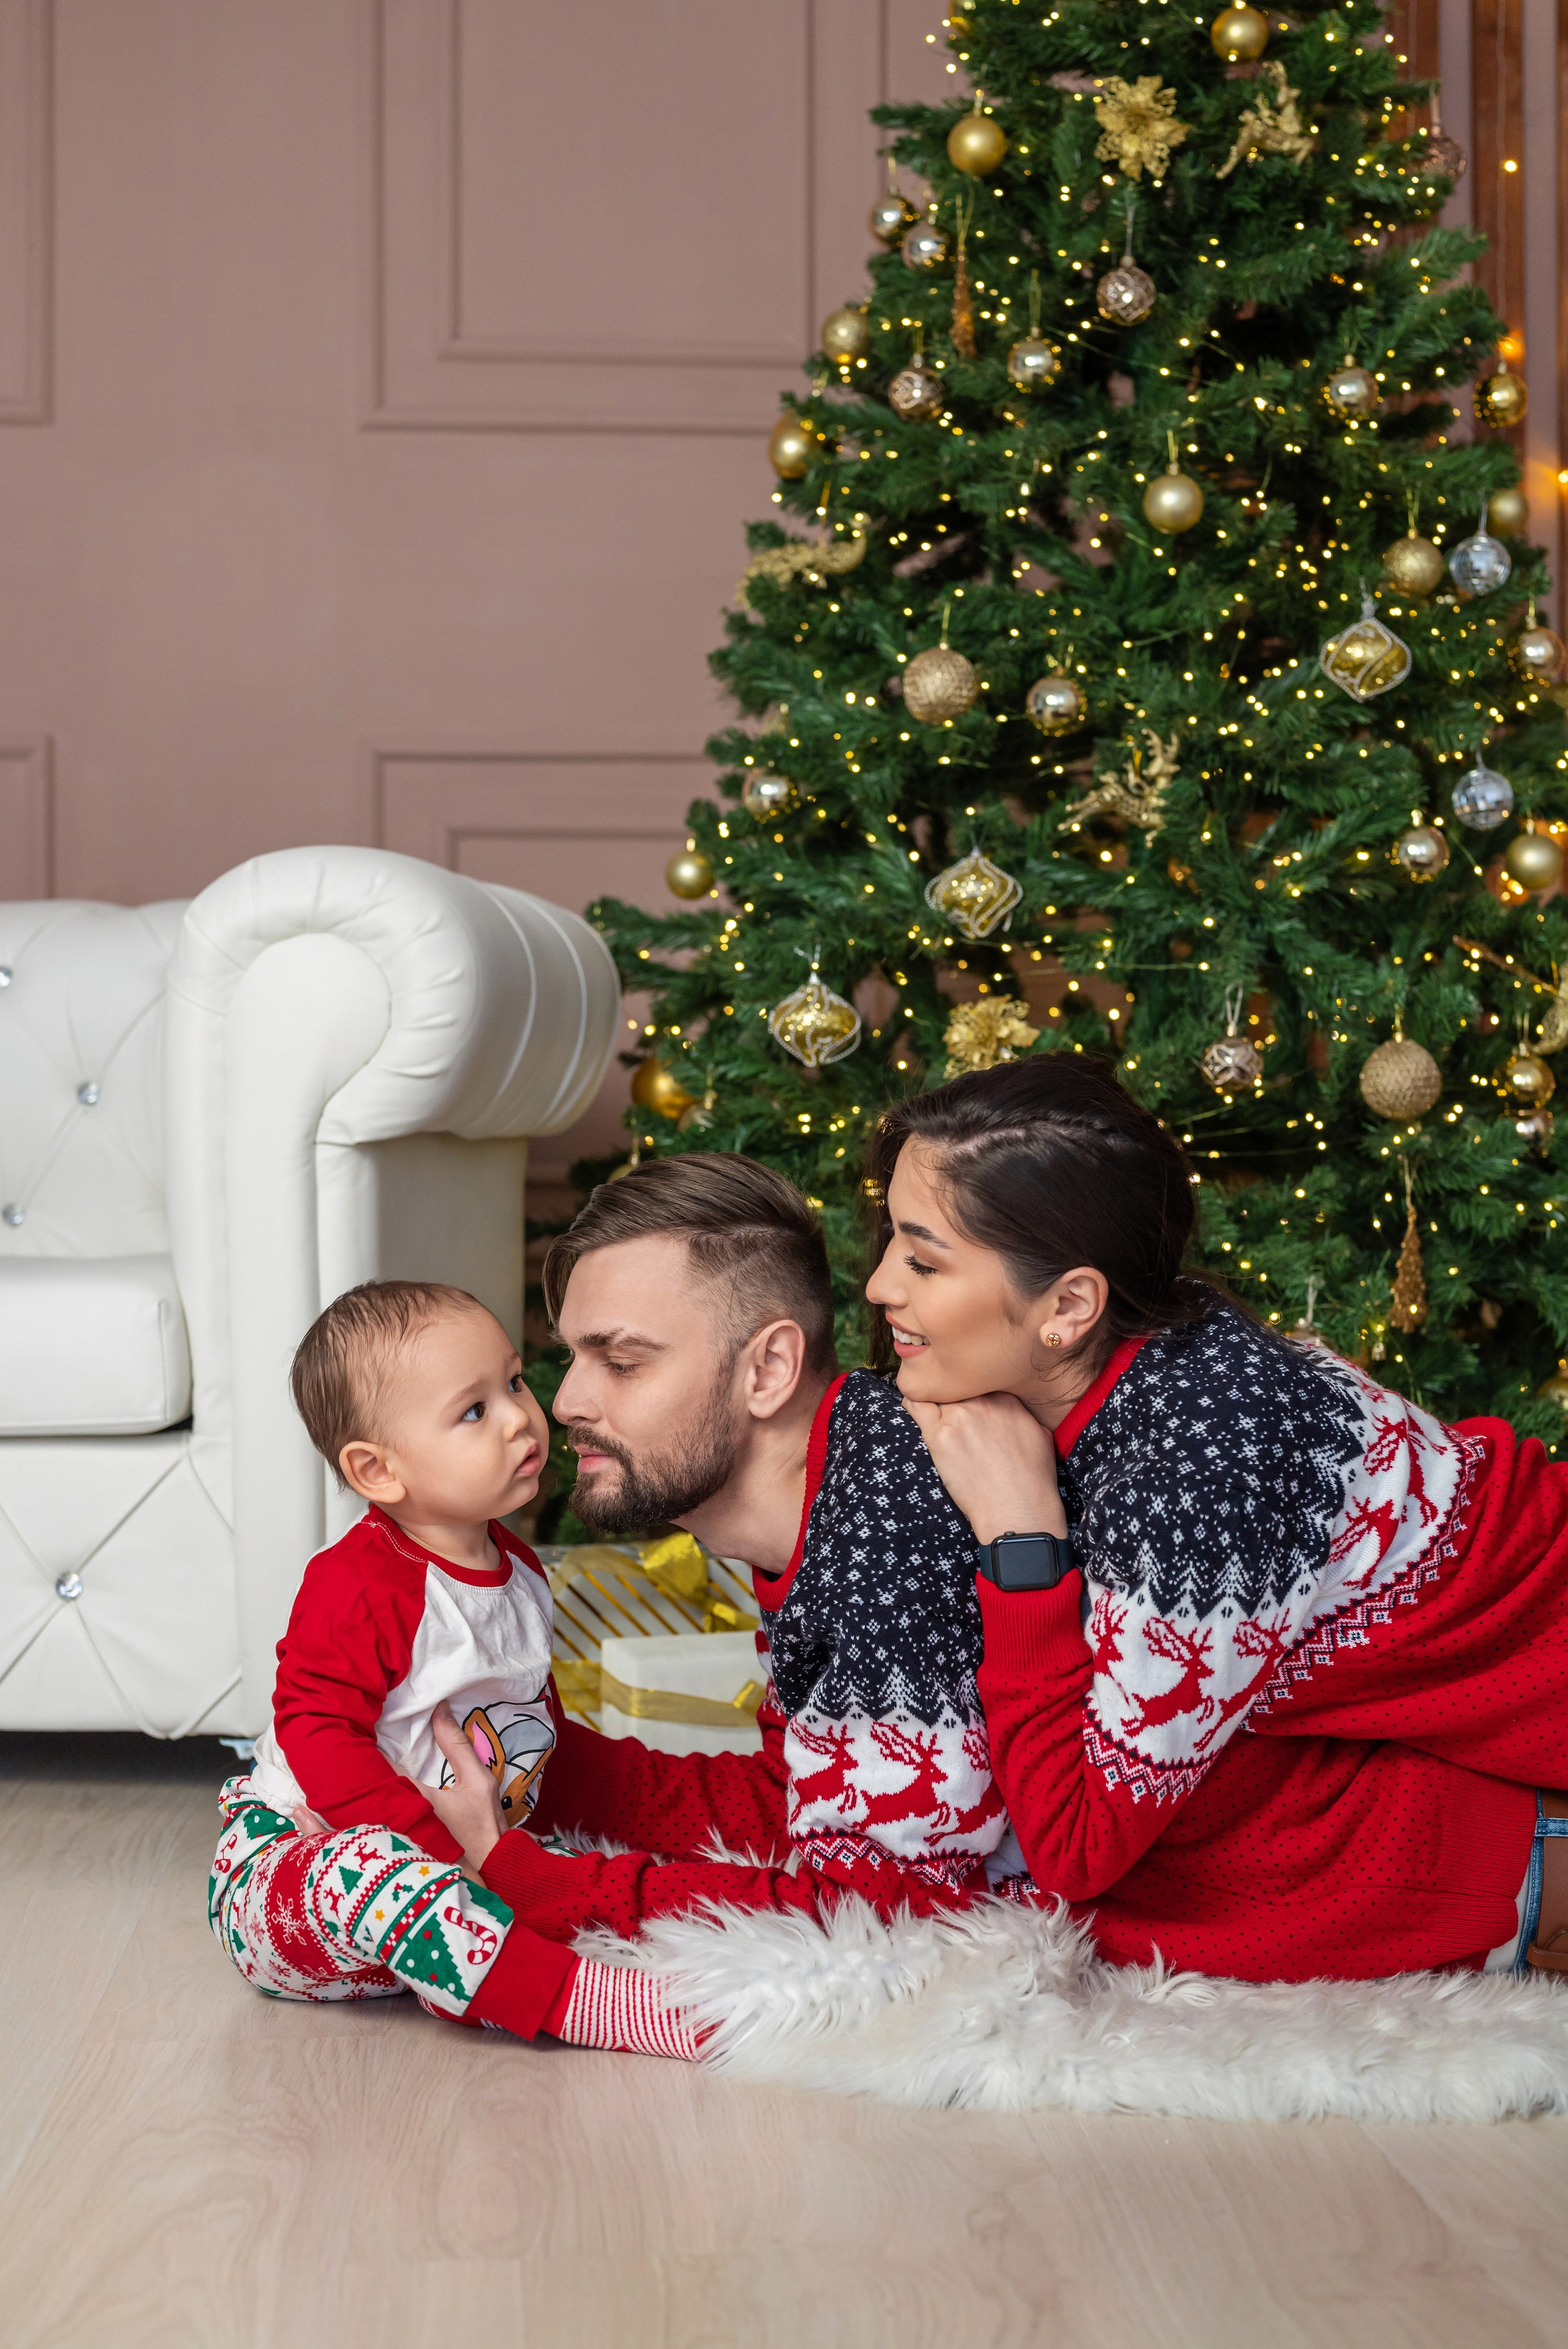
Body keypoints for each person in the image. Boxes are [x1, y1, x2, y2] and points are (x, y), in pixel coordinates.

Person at [451, 1131, 1564, 1982]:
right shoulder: (851, 1481)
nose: (569, 1404)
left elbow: (877, 1914)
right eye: (569, 1358)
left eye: (620, 1360)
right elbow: (832, 1794)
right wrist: (552, 1768)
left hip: (1481, 1872)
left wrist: (530, 1883)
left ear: (766, 1368)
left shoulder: (886, 1514)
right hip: (1429, 1863)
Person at [862, 1055, 1568, 1980]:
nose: (878, 1285)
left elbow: (1077, 1844)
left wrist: (1021, 1543)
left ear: (1070, 1305)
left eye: (922, 1259)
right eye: (890, 1244)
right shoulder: (1110, 1375)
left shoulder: (1201, 1469)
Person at [208, 1279, 706, 2057]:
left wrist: (523, 1849)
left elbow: (534, 1735)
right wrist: (442, 1856)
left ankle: (524, 1946)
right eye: (473, 1411)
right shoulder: (362, 1581)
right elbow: (315, 1727)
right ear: (378, 1472)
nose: (519, 1418)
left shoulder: (518, 1570)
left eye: (512, 1382)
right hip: (296, 1869)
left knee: (583, 1866)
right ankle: (586, 2003)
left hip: (457, 1872)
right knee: (379, 1874)